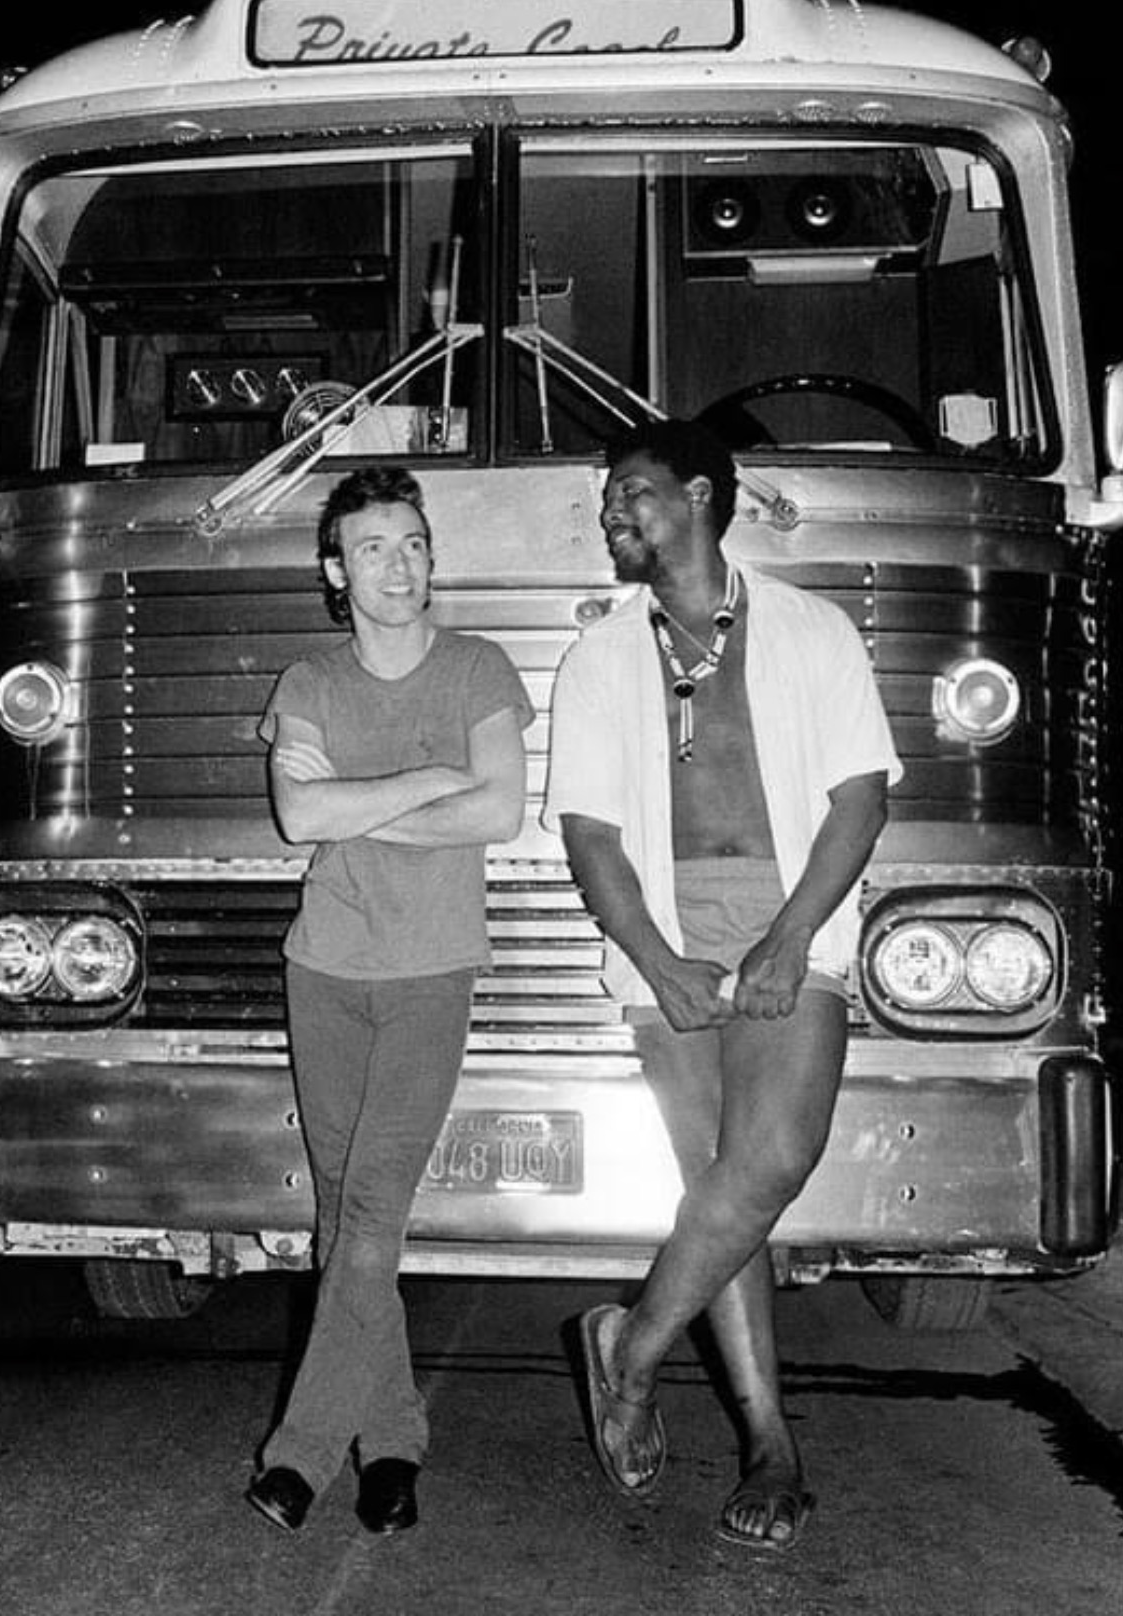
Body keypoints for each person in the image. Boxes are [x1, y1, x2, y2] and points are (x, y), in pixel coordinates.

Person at [543, 418, 901, 1552]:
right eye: (608, 500)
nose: (612, 514)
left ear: (698, 495)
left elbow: (858, 800)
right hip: (668, 937)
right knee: (714, 1190)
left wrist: (791, 940)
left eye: (632, 494)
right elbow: (592, 833)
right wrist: (654, 957)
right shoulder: (599, 654)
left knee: (770, 1162)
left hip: (790, 920)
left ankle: (630, 1354)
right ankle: (769, 1445)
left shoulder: (809, 627)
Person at [249, 466, 533, 1536]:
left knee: (373, 1207)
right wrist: (425, 780)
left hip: (430, 969)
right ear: (337, 571)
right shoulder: (310, 681)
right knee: (343, 1221)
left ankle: (302, 1452)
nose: (399, 563)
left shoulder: (477, 668)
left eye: (413, 543)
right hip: (323, 967)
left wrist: (354, 806)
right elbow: (295, 813)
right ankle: (395, 1443)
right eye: (374, 547)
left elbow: (499, 809)